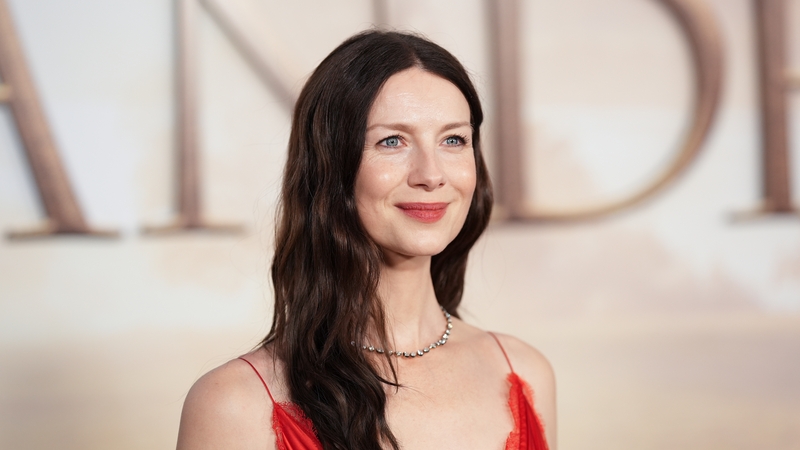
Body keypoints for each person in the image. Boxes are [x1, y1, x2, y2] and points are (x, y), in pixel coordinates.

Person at [176, 29, 556, 450]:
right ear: (331, 165)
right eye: (392, 141)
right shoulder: (235, 405)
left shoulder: (523, 372)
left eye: (453, 140)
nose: (431, 175)